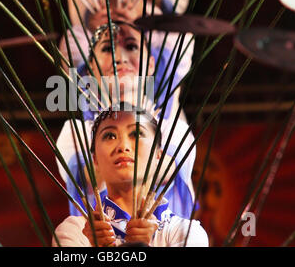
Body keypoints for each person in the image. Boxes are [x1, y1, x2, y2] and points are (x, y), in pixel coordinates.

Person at [56, 21, 196, 219]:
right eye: (107, 49)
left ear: (150, 65)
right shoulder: (74, 133)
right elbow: (89, 178)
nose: (119, 57)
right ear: (90, 70)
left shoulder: (174, 131)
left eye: (131, 46)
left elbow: (165, 171)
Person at [53, 105, 208, 247]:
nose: (123, 146)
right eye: (109, 136)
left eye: (136, 133)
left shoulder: (186, 233)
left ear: (159, 156)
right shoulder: (75, 232)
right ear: (95, 160)